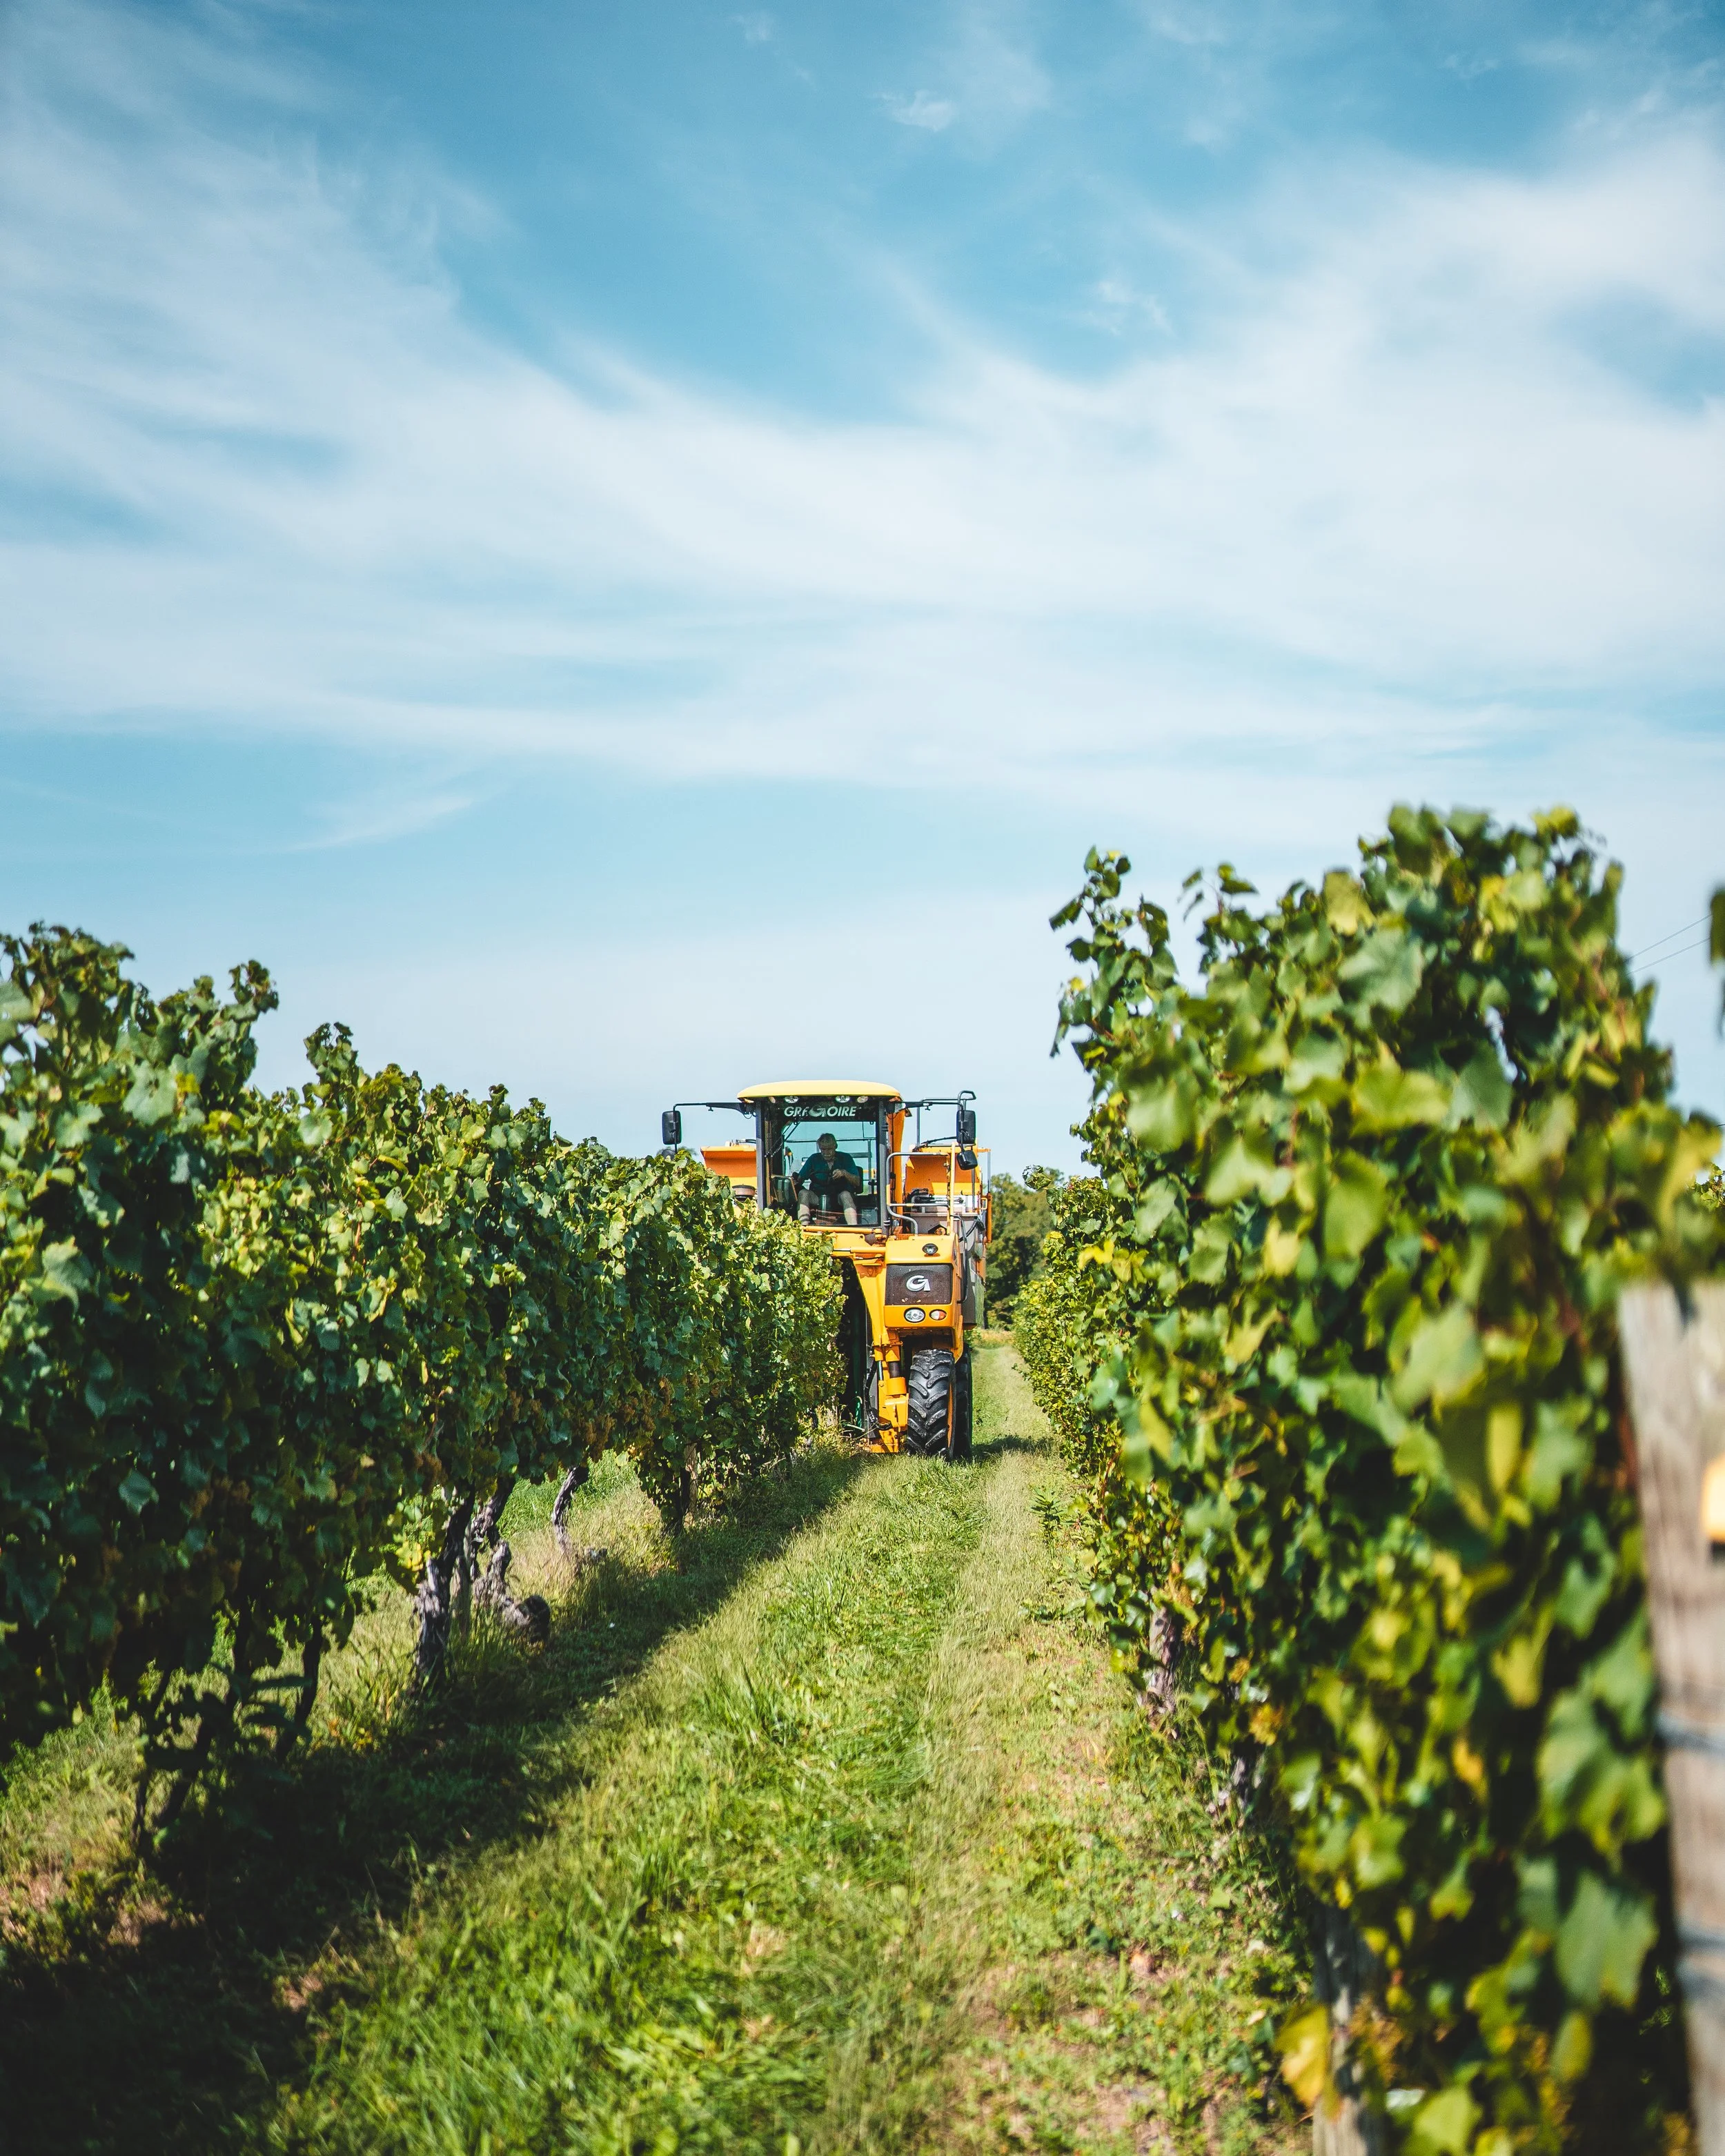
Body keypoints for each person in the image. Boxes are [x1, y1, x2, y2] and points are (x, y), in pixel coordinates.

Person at [796, 1131, 862, 1225]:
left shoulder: (846, 1158)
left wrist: (844, 1173)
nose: (826, 1152)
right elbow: (800, 1179)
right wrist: (794, 1181)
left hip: (839, 1196)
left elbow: (857, 1182)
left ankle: (853, 1228)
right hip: (817, 1197)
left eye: (829, 1149)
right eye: (823, 1149)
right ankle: (803, 1227)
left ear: (835, 1147)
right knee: (803, 1193)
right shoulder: (813, 1159)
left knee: (846, 1195)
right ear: (820, 1148)